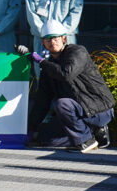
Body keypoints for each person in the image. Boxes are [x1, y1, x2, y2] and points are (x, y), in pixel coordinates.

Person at [26, 21, 114, 152]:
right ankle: (93, 133)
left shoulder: (77, 52)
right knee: (45, 138)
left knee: (62, 104)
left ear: (64, 39)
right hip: (75, 113)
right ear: (43, 43)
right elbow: (42, 101)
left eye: (55, 38)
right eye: (48, 39)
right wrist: (30, 128)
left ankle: (86, 141)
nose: (52, 42)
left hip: (98, 110)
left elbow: (66, 74)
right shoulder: (48, 67)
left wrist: (42, 62)